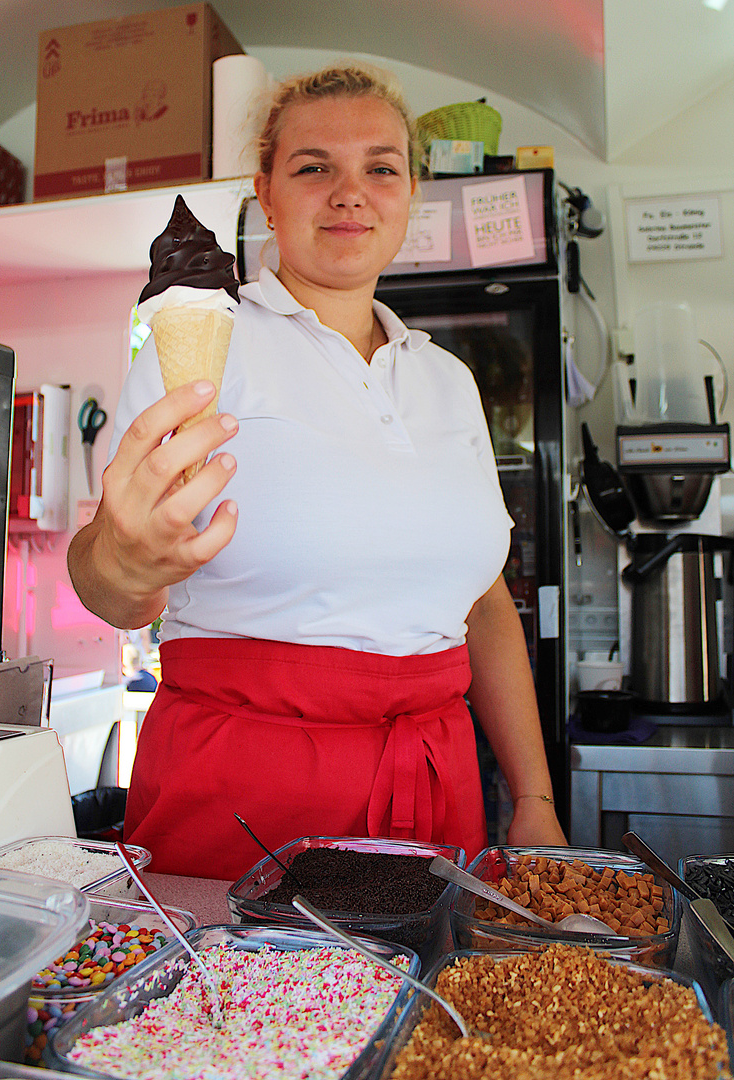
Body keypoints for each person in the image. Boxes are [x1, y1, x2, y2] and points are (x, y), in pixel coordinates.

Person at [68, 63, 567, 879]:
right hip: (244, 793)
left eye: (380, 167)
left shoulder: (445, 379)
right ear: (265, 192)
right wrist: (123, 567)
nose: (350, 192)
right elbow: (108, 578)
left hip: (434, 786)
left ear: (411, 192)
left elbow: (480, 602)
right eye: (313, 168)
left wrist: (534, 799)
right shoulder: (202, 346)